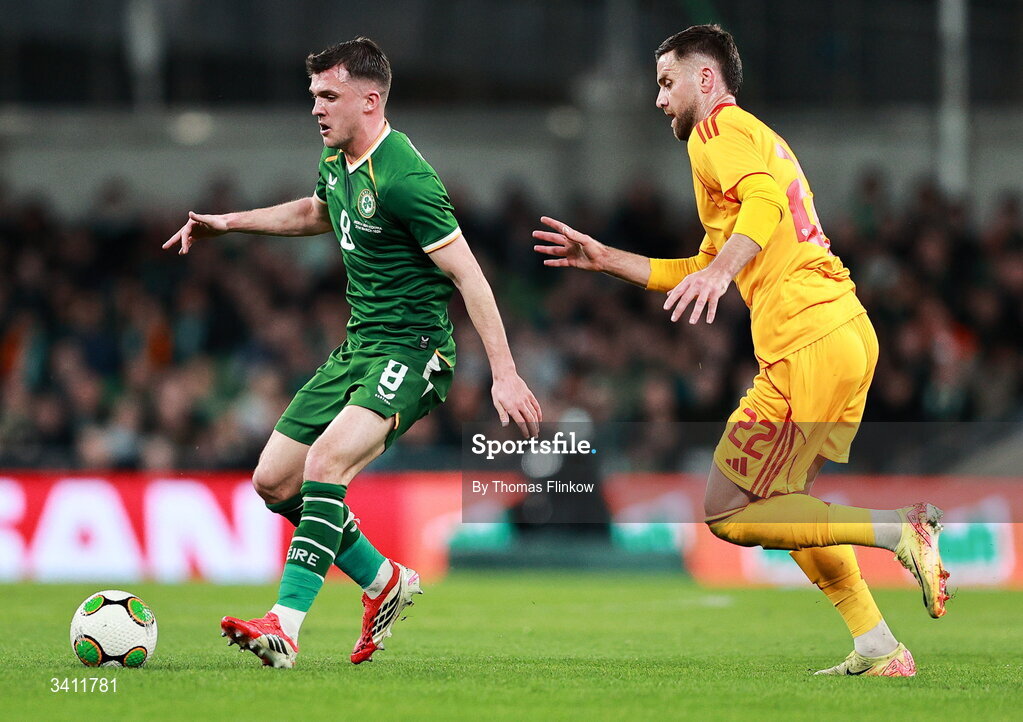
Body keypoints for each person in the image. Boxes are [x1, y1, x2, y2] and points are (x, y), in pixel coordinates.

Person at [533, 24, 948, 676]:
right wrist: (607, 258)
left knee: (727, 509)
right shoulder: (756, 139)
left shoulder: (716, 132)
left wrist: (722, 274)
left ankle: (900, 529)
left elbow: (760, 209)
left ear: (704, 79)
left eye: (666, 82)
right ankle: (877, 648)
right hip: (842, 333)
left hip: (803, 339)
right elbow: (705, 254)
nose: (659, 98)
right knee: (785, 509)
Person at [165, 37, 541, 669]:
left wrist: (503, 373)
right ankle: (382, 582)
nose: (315, 107)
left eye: (328, 96)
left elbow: (470, 278)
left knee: (326, 462)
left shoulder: (406, 178)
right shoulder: (337, 160)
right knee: (272, 480)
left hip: (414, 352)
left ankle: (284, 624)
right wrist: (229, 222)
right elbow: (318, 212)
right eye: (313, 95)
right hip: (357, 349)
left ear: (370, 101)